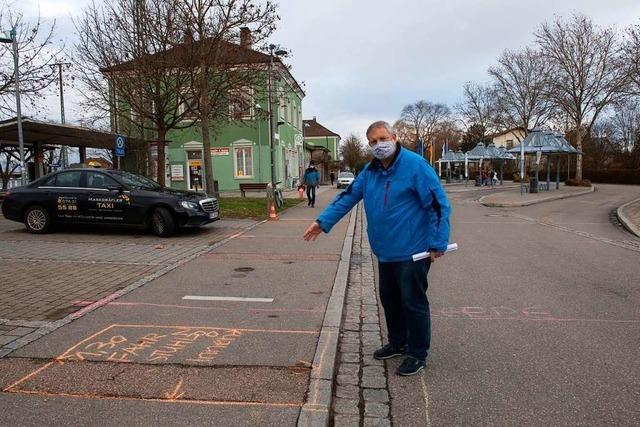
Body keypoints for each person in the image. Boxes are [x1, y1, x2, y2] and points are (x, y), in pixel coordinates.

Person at [303, 120, 451, 376]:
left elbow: (438, 204)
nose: (379, 145)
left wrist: (438, 241)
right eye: (373, 141)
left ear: (394, 137)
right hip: (385, 250)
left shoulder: (415, 166)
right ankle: (398, 341)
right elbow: (348, 197)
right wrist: (322, 222)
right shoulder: (369, 172)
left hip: (413, 250)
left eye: (383, 138)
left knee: (413, 302)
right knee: (390, 300)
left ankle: (417, 353)